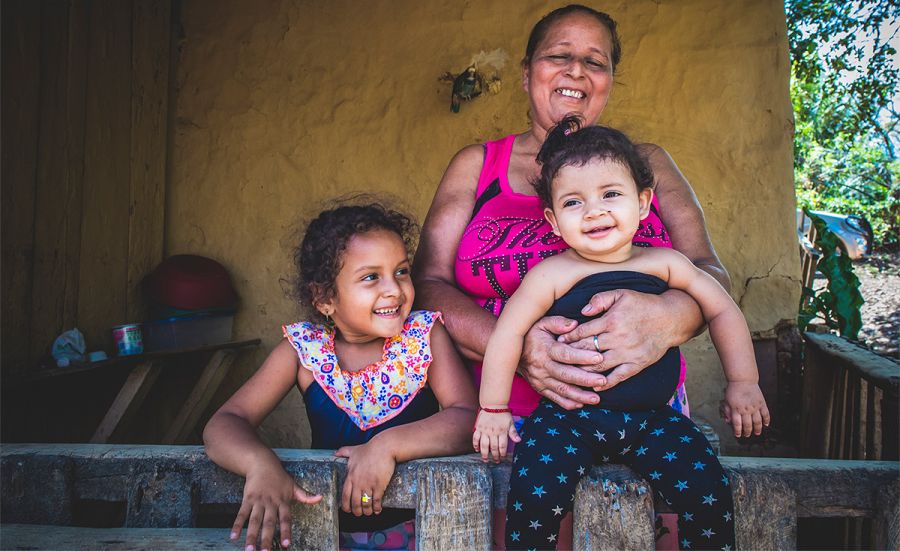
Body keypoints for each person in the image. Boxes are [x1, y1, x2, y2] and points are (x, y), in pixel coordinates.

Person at [414, 5, 729, 547]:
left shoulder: (647, 163)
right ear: (526, 71)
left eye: (594, 61)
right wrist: (520, 349)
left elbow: (708, 271)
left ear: (609, 79)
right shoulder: (478, 165)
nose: (575, 72)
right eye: (558, 56)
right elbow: (427, 282)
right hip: (506, 426)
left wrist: (673, 316)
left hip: (644, 417)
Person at [472, 117, 770, 550]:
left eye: (611, 194)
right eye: (574, 202)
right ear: (553, 222)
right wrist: (493, 408)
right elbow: (507, 335)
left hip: (654, 417)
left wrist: (744, 382)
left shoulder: (665, 263)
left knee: (709, 491)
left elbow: (722, 307)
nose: (594, 210)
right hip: (566, 418)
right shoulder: (550, 274)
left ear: (644, 202)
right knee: (532, 495)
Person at [204, 201, 477, 551]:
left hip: (419, 535)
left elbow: (467, 418)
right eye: (370, 277)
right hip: (321, 535)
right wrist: (259, 464)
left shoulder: (423, 337)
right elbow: (225, 422)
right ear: (325, 298)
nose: (393, 289)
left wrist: (387, 447)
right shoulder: (304, 352)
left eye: (402, 271)